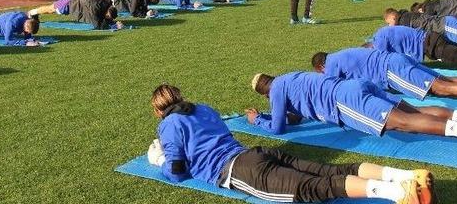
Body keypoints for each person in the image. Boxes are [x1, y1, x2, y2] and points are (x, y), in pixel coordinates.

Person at [148, 84, 432, 204]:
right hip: (256, 154)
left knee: (310, 189)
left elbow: (176, 170)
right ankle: (408, 176)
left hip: (239, 170)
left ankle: (397, 192)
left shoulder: (168, 124)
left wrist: (159, 160)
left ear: (160, 110)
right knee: (327, 171)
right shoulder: (204, 109)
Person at [248, 72, 457, 166]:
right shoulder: (290, 78)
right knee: (413, 113)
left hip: (345, 100)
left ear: (265, 92)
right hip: (357, 86)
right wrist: (271, 114)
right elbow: (296, 118)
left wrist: (258, 120)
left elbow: (279, 129)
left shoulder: (276, 91)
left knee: (404, 123)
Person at [312, 48, 457, 122]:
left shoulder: (330, 65)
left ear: (321, 66)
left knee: (442, 89)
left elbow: (331, 88)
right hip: (397, 60)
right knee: (446, 81)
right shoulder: (341, 54)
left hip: (391, 70)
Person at [30, 0, 124, 30]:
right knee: (51, 9)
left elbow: (103, 17)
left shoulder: (105, 4)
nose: (107, 18)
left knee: (52, 9)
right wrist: (114, 26)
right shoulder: (95, 8)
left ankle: (34, 12)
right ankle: (32, 12)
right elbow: (97, 24)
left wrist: (111, 22)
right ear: (107, 11)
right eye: (108, 16)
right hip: (70, 1)